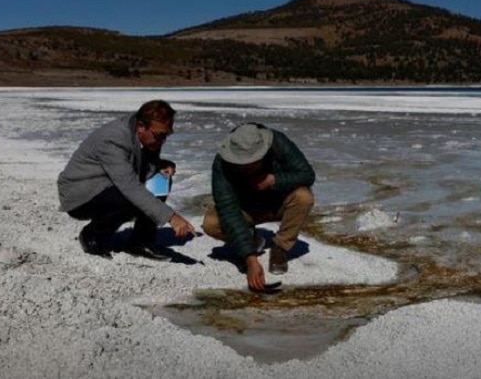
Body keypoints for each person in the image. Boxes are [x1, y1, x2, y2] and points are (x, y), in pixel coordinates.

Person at [57, 100, 197, 260]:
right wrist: (171, 217)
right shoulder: (113, 139)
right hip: (81, 193)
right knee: (127, 198)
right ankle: (92, 235)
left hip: (109, 183)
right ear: (140, 126)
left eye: (166, 135)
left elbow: (144, 164)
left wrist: (161, 165)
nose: (163, 140)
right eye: (160, 135)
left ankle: (141, 241)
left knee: (161, 179)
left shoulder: (149, 135)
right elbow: (129, 186)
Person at [203, 122, 315, 291]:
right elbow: (228, 209)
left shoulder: (278, 143)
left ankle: (280, 246)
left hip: (279, 202)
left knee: (304, 197)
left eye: (251, 162)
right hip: (247, 208)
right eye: (242, 163)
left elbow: (307, 175)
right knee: (211, 223)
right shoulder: (222, 163)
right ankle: (252, 241)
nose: (246, 167)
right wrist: (251, 260)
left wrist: (274, 180)